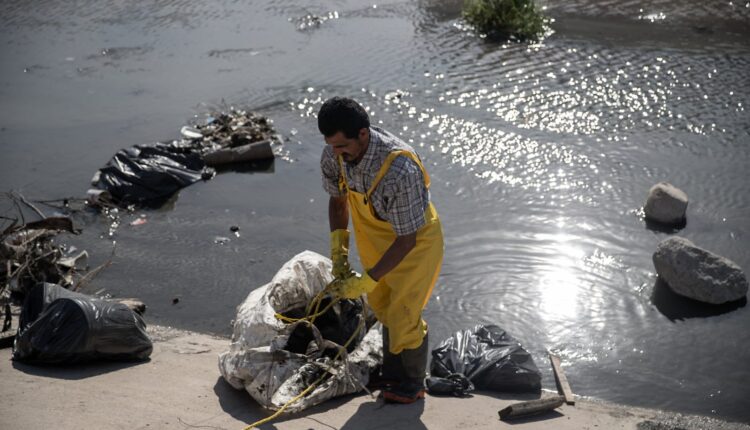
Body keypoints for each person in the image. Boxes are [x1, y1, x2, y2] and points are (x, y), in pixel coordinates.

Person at [318, 96, 444, 404]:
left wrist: (368, 277)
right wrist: (339, 252)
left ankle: (412, 384)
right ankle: (392, 374)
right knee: (384, 306)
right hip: (375, 239)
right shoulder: (334, 155)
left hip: (416, 245)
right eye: (332, 145)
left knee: (406, 313)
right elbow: (338, 201)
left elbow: (406, 240)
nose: (336, 153)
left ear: (363, 134)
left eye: (341, 146)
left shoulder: (400, 169)